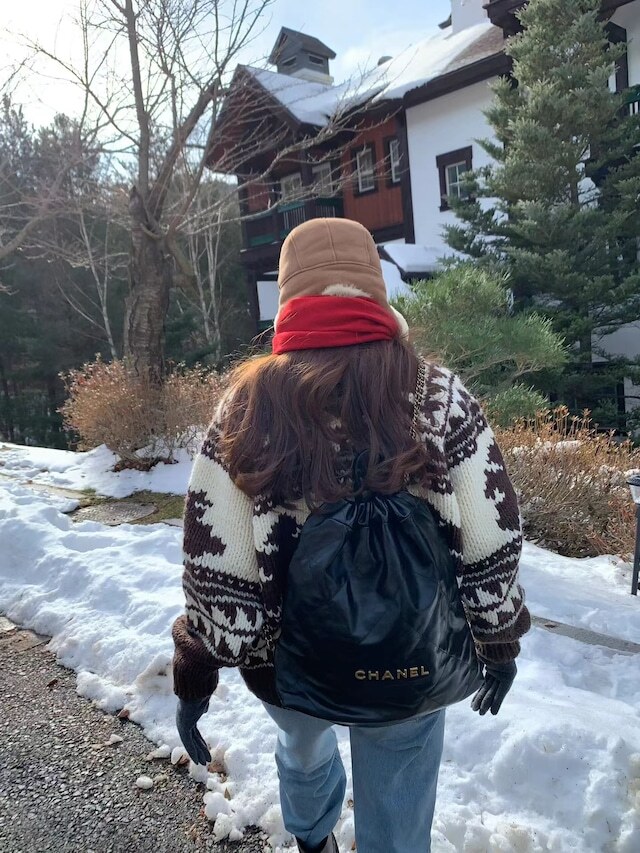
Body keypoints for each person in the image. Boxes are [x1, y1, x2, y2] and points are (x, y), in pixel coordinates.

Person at [172, 218, 531, 853]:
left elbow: (218, 566)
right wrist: (498, 640)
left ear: (287, 294)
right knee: (400, 775)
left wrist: (197, 668)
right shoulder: (440, 397)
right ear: (376, 288)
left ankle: (314, 841)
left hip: (285, 665)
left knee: (302, 746)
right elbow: (490, 540)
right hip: (413, 652)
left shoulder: (247, 408)